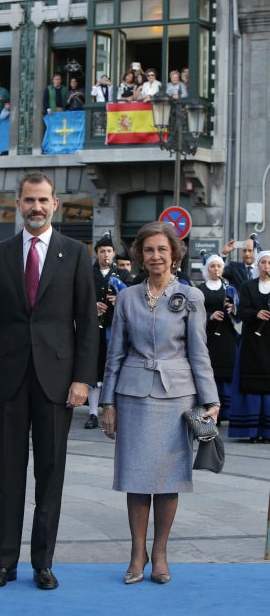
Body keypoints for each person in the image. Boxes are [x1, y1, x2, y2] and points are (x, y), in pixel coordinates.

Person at [0, 171, 98, 590]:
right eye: (29, 200)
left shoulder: (75, 254)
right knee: (8, 474)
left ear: (56, 203)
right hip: (7, 381)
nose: (36, 207)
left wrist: (83, 380)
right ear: (18, 204)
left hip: (57, 381)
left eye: (43, 200)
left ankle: (42, 563)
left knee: (50, 472)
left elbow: (88, 325)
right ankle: (5, 562)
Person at [100, 221, 219, 585]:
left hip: (177, 397)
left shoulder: (191, 297)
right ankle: (137, 551)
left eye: (162, 249)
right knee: (137, 479)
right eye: (149, 249)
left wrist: (210, 399)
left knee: (169, 481)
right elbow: (115, 353)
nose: (155, 256)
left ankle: (161, 553)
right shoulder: (126, 297)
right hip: (133, 397)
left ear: (174, 254)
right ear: (140, 254)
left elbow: (200, 353)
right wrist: (107, 402)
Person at [87, 235, 132, 431]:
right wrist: (92, 307)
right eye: (102, 251)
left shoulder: (123, 275)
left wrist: (120, 299)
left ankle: (114, 410)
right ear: (96, 253)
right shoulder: (87, 273)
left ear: (113, 254)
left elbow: (135, 299)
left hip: (116, 328)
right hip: (93, 329)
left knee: (114, 367)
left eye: (109, 251)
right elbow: (77, 298)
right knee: (94, 368)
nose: (106, 255)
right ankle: (93, 413)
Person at [228, 250, 270, 443]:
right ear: (258, 265)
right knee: (252, 385)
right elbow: (241, 311)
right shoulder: (248, 286)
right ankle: (252, 430)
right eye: (263, 263)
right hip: (253, 343)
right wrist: (256, 314)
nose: (266, 267)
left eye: (269, 263)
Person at [196, 254, 238, 421]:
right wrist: (210, 316)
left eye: (218, 266)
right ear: (207, 269)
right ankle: (209, 408)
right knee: (209, 371)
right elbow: (196, 312)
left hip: (226, 335)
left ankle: (225, 411)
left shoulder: (228, 288)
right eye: (212, 266)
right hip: (208, 336)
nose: (216, 269)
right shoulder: (200, 288)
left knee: (226, 371)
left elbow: (238, 312)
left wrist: (232, 309)